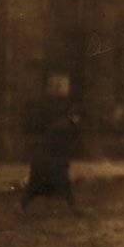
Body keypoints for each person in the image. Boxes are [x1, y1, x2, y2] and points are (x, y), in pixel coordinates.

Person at [20, 72, 81, 213]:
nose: (78, 120)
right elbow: (58, 147)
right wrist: (63, 161)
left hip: (46, 160)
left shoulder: (65, 125)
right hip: (48, 160)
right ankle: (73, 208)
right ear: (73, 116)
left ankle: (72, 207)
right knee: (48, 185)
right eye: (77, 117)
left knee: (38, 186)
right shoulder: (64, 127)